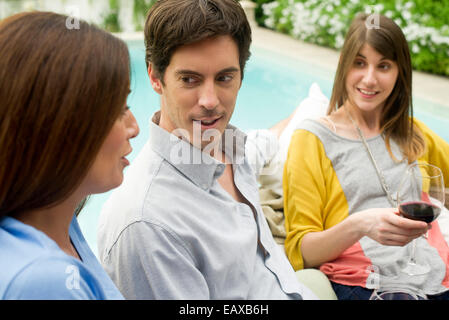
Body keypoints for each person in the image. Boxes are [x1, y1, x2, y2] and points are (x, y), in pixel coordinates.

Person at [97, 0, 316, 300]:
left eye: (224, 77)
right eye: (190, 80)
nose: (210, 100)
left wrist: (310, 112)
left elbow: (263, 142)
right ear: (155, 77)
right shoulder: (147, 224)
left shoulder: (229, 150)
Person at [283, 13, 449, 300]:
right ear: (343, 65)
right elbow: (302, 252)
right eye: (359, 63)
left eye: (383, 66)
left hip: (436, 277)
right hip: (366, 283)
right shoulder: (311, 139)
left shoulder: (413, 133)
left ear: (400, 73)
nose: (369, 79)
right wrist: (361, 225)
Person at [0, 11, 139, 299]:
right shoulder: (43, 280)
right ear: (60, 124)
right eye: (118, 109)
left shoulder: (55, 223)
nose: (134, 127)